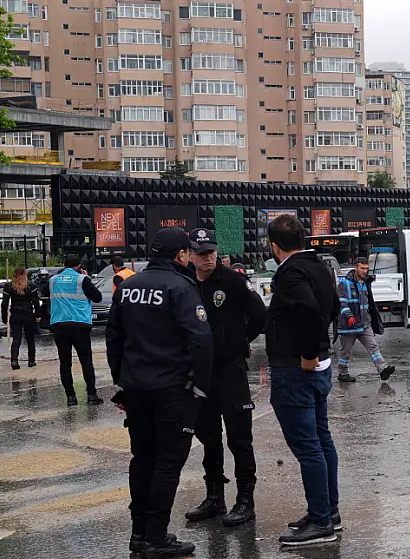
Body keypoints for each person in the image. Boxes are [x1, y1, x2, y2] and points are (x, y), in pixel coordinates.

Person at [106, 227, 214, 559]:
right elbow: (201, 339)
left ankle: (139, 535)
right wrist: (200, 387)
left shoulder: (127, 287)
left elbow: (113, 338)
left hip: (136, 388)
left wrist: (121, 381)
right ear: (181, 255)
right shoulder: (181, 286)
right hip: (171, 389)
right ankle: (156, 537)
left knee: (142, 461)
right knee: (168, 463)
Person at [264, 214, 342, 547]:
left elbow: (310, 310)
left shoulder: (292, 272)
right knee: (321, 441)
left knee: (308, 446)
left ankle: (321, 521)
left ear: (273, 246)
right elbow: (335, 307)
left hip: (297, 369)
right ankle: (326, 511)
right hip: (317, 365)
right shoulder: (319, 267)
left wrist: (309, 351)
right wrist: (321, 347)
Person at [184, 228, 267, 527]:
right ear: (190, 254)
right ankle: (215, 497)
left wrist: (239, 340)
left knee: (239, 438)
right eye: (201, 253)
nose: (208, 258)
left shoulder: (232, 281)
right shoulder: (186, 284)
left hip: (230, 370)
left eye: (211, 252)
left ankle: (246, 499)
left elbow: (259, 316)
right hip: (200, 375)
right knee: (207, 437)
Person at [50, 254, 104, 406]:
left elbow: (44, 291)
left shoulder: (53, 280)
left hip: (60, 325)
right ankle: (91, 395)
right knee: (86, 361)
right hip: (79, 325)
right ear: (79, 266)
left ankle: (70, 397)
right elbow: (97, 297)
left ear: (64, 265)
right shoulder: (82, 279)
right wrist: (88, 279)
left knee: (65, 362)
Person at [336, 257, 393, 383]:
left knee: (373, 347)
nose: (365, 271)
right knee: (346, 351)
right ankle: (342, 373)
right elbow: (342, 304)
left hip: (364, 324)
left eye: (366, 269)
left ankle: (382, 369)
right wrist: (349, 316)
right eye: (362, 268)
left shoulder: (365, 283)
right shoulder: (344, 284)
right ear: (355, 267)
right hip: (349, 325)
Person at [3, 268, 40, 370]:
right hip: (28, 313)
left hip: (15, 314)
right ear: (24, 274)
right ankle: (31, 361)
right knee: (30, 339)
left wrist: (4, 317)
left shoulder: (9, 286)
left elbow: (4, 303)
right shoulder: (30, 285)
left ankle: (14, 360)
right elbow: (36, 301)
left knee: (16, 338)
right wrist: (38, 315)